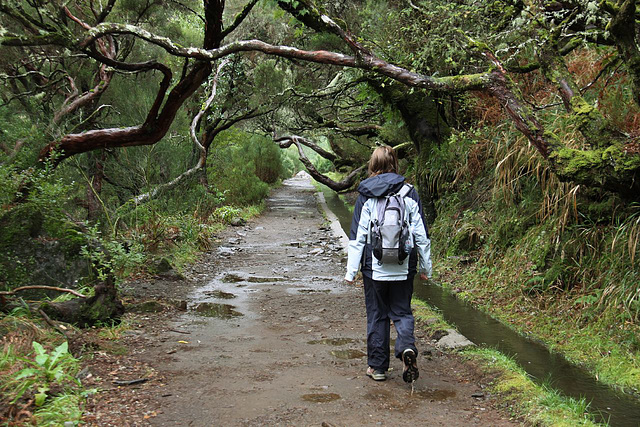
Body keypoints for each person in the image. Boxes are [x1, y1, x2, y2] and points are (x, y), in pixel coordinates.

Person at [345, 146, 431, 383]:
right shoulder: (409, 192)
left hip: (375, 266)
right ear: (395, 163)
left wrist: (351, 271)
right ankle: (406, 349)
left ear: (373, 165)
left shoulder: (366, 194)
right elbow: (421, 235)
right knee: (402, 311)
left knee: (377, 314)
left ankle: (378, 367)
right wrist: (425, 269)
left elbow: (358, 236)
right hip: (404, 265)